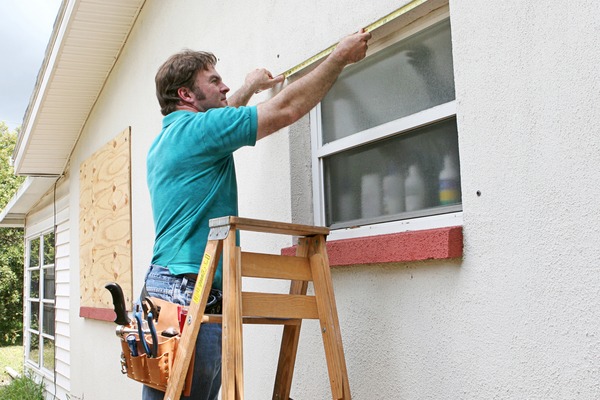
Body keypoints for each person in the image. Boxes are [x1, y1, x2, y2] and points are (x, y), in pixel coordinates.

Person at [142, 28, 371, 400]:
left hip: (159, 292)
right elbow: (286, 109)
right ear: (186, 94)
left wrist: (249, 87)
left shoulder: (165, 140)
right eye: (214, 81)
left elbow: (220, 121)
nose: (225, 87)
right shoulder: (201, 130)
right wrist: (339, 57)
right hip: (192, 291)